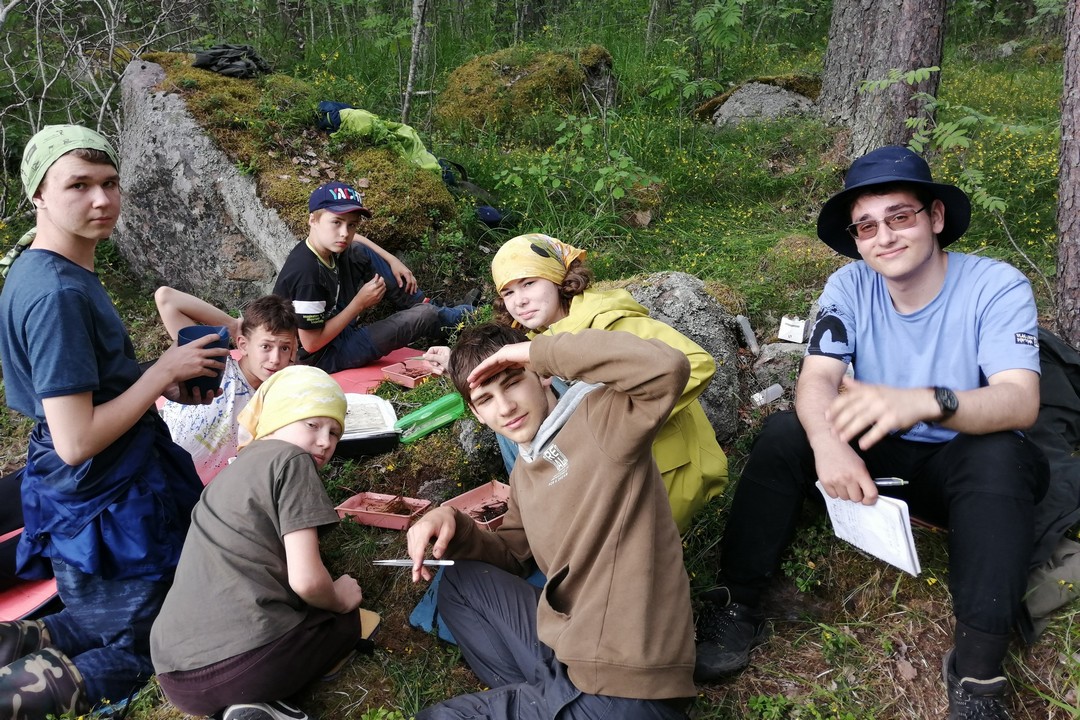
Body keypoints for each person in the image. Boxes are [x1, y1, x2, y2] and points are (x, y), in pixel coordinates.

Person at [695, 146, 1048, 720]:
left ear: (935, 217)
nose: (884, 237)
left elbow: (1019, 400)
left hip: (958, 467)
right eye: (866, 226)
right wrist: (829, 446)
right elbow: (817, 379)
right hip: (873, 457)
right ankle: (737, 601)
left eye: (899, 217)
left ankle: (977, 672)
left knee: (1001, 456)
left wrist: (923, 402)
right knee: (785, 434)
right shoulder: (849, 285)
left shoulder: (995, 285)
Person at [0, 125, 226, 717]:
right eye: (78, 185)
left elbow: (80, 395)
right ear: (38, 194)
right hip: (107, 498)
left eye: (109, 182)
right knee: (149, 641)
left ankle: (21, 641)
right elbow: (76, 439)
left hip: (92, 488)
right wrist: (159, 374)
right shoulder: (57, 294)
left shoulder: (43, 269)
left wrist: (154, 380)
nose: (101, 199)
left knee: (97, 615)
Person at [405, 324, 697, 719]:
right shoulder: (525, 472)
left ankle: (551, 704)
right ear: (475, 413)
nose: (505, 407)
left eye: (512, 382)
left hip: (628, 681)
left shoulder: (601, 418)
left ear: (542, 375)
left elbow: (667, 367)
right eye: (486, 399)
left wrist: (539, 351)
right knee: (459, 582)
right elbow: (512, 555)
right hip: (571, 655)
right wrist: (452, 521)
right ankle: (543, 699)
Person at [151, 365, 375, 720]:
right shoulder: (292, 460)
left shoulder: (224, 477)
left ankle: (247, 708)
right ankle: (264, 702)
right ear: (275, 421)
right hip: (251, 663)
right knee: (344, 620)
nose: (325, 441)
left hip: (178, 682)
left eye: (334, 432)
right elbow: (307, 581)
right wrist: (339, 598)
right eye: (312, 424)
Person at [486, 233, 727, 532]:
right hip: (609, 477)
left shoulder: (610, 322)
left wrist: (622, 422)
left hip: (667, 475)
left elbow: (696, 364)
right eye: (508, 292)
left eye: (529, 283)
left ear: (559, 279)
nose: (520, 300)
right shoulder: (536, 342)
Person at [272, 181, 474, 373]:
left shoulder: (322, 243)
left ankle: (432, 308)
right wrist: (359, 304)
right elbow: (311, 343)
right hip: (323, 355)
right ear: (312, 220)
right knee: (425, 315)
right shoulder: (308, 275)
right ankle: (468, 316)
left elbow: (356, 240)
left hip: (333, 321)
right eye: (336, 222)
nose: (344, 233)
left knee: (357, 250)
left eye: (352, 224)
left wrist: (392, 260)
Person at [156, 288, 298, 483]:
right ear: (243, 345)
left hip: (197, 493)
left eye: (285, 348)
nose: (275, 359)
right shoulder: (212, 363)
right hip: (155, 468)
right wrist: (234, 325)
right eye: (266, 346)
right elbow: (166, 298)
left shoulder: (274, 400)